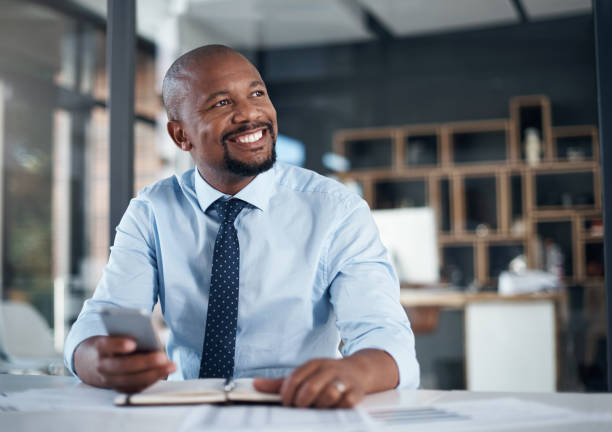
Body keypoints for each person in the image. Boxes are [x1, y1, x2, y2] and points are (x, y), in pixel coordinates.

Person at [64, 44, 419, 408]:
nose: (250, 113)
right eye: (221, 103)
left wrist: (355, 372)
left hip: (299, 410)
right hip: (186, 411)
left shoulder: (337, 210)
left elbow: (385, 336)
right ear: (180, 135)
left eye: (257, 93)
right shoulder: (152, 211)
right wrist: (104, 363)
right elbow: (96, 325)